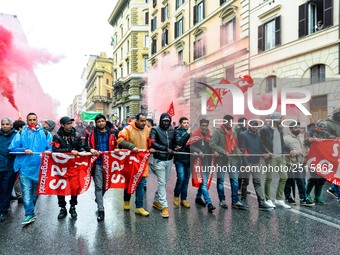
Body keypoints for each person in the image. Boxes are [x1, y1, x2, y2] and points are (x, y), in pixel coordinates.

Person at [9, 113, 52, 225]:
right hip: (25, 168)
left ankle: (31, 211)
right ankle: (29, 214)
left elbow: (50, 146)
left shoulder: (46, 133)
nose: (32, 121)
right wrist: (24, 149)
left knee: (35, 192)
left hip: (40, 168)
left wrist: (49, 151)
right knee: (26, 192)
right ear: (26, 120)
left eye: (34, 119)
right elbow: (13, 148)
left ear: (37, 120)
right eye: (30, 120)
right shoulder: (21, 133)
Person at [52, 116, 90, 220]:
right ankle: (62, 208)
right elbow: (55, 150)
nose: (70, 125)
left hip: (74, 166)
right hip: (61, 167)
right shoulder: (56, 136)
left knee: (74, 187)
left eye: (71, 123)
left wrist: (82, 151)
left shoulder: (77, 135)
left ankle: (73, 207)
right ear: (62, 125)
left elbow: (80, 147)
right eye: (68, 123)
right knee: (61, 187)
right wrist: (69, 150)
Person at [209, 114, 247, 210]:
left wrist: (238, 152)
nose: (231, 124)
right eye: (230, 122)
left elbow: (236, 146)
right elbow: (212, 144)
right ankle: (222, 200)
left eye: (232, 122)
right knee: (221, 181)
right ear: (225, 122)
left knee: (234, 181)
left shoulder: (233, 132)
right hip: (222, 161)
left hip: (232, 161)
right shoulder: (218, 132)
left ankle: (235, 201)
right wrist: (223, 151)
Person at [117, 113, 151, 217]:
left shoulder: (147, 129)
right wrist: (131, 146)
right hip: (130, 162)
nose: (144, 123)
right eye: (141, 121)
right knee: (128, 182)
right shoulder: (127, 129)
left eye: (145, 121)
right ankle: (126, 201)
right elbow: (120, 140)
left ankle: (139, 207)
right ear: (136, 120)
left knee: (140, 184)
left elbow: (151, 141)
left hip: (142, 162)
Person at [238, 120, 274, 210]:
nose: (254, 127)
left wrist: (266, 152)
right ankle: (243, 200)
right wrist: (246, 164)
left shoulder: (258, 135)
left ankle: (261, 202)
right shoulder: (243, 135)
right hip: (247, 162)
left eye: (256, 126)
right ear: (249, 126)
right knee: (245, 182)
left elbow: (261, 147)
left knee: (257, 182)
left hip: (256, 162)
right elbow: (242, 151)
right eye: (252, 125)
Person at [88, 114, 117, 221]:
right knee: (99, 187)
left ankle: (98, 197)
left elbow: (118, 145)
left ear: (105, 122)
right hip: (97, 164)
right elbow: (87, 146)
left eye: (102, 121)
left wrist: (117, 149)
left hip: (109, 164)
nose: (101, 123)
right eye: (98, 121)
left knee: (106, 186)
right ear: (96, 123)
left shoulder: (113, 133)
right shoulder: (92, 134)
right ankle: (101, 210)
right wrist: (90, 149)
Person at [260, 112, 290, 209]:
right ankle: (268, 199)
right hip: (271, 157)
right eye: (280, 119)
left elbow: (282, 143)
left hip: (280, 156)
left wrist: (290, 149)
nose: (282, 120)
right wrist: (267, 152)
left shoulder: (280, 129)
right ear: (275, 119)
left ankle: (279, 199)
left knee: (284, 177)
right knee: (269, 178)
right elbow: (261, 143)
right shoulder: (265, 129)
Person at [149, 113, 176, 218]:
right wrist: (165, 148)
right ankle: (164, 207)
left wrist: (175, 147)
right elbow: (152, 143)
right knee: (161, 183)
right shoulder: (155, 130)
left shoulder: (172, 130)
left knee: (163, 183)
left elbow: (173, 142)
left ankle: (156, 201)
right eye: (164, 121)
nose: (166, 123)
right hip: (159, 159)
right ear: (161, 120)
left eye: (167, 121)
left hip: (169, 160)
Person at [188, 118, 216, 213]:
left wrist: (215, 151)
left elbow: (213, 146)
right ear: (200, 125)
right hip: (198, 163)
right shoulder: (195, 134)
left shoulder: (210, 136)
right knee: (204, 182)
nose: (204, 127)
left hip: (208, 162)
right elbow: (190, 145)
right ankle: (209, 203)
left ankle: (198, 197)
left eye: (206, 125)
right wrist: (198, 151)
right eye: (203, 125)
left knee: (204, 181)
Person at [283, 122, 314, 206]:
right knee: (289, 181)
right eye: (296, 127)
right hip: (289, 163)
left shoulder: (301, 138)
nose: (298, 129)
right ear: (290, 129)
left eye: (299, 127)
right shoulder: (286, 138)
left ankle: (303, 199)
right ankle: (288, 197)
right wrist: (291, 152)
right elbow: (282, 150)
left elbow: (305, 148)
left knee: (301, 181)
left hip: (300, 163)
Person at [304, 120, 335, 205]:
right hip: (313, 158)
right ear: (316, 127)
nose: (322, 131)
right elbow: (305, 141)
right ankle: (307, 194)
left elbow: (332, 138)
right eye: (321, 129)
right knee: (314, 177)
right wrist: (312, 140)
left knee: (322, 178)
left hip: (324, 158)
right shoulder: (309, 132)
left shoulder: (325, 133)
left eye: (324, 129)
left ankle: (317, 197)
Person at [0, 118, 17, 222]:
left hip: (9, 168)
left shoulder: (17, 136)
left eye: (7, 124)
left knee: (6, 190)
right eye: (3, 124)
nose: (5, 126)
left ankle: (3, 211)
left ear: (11, 125)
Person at [173, 117, 191, 208]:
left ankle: (184, 199)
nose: (186, 124)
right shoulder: (177, 131)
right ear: (180, 124)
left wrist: (183, 147)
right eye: (184, 123)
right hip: (179, 159)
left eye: (188, 122)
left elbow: (191, 145)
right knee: (181, 177)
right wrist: (187, 135)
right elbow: (179, 142)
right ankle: (176, 195)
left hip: (189, 159)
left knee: (186, 180)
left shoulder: (191, 132)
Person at [324, 107, 340, 200]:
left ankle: (333, 188)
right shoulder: (328, 124)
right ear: (337, 114)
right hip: (333, 151)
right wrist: (335, 138)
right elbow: (325, 135)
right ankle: (337, 191)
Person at [12, 119, 26, 203]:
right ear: (20, 128)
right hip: (16, 160)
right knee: (16, 179)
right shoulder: (17, 135)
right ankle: (20, 196)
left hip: (14, 160)